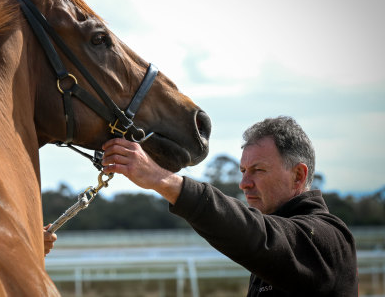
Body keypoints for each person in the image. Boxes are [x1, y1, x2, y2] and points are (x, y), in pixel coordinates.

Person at [101, 116, 358, 296]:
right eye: (243, 171)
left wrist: (161, 179)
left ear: (298, 176)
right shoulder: (279, 234)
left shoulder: (328, 238)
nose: (244, 183)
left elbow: (256, 235)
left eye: (258, 170)